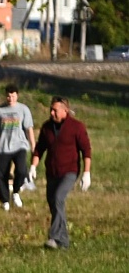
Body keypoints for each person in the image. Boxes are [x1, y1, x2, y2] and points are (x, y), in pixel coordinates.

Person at [30, 96, 92, 250]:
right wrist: (33, 166)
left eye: (55, 110)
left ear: (65, 111)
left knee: (58, 198)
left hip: (69, 171)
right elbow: (39, 149)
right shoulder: (46, 128)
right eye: (50, 109)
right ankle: (63, 242)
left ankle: (54, 237)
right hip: (52, 171)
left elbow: (86, 150)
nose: (51, 113)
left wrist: (86, 173)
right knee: (54, 204)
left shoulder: (76, 127)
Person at [0, 84, 35, 211]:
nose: (10, 98)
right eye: (8, 96)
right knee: (2, 175)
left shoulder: (23, 109)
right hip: (3, 147)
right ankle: (5, 201)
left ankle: (16, 192)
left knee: (21, 170)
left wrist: (33, 145)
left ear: (17, 96)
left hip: (20, 145)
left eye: (13, 96)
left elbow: (29, 128)